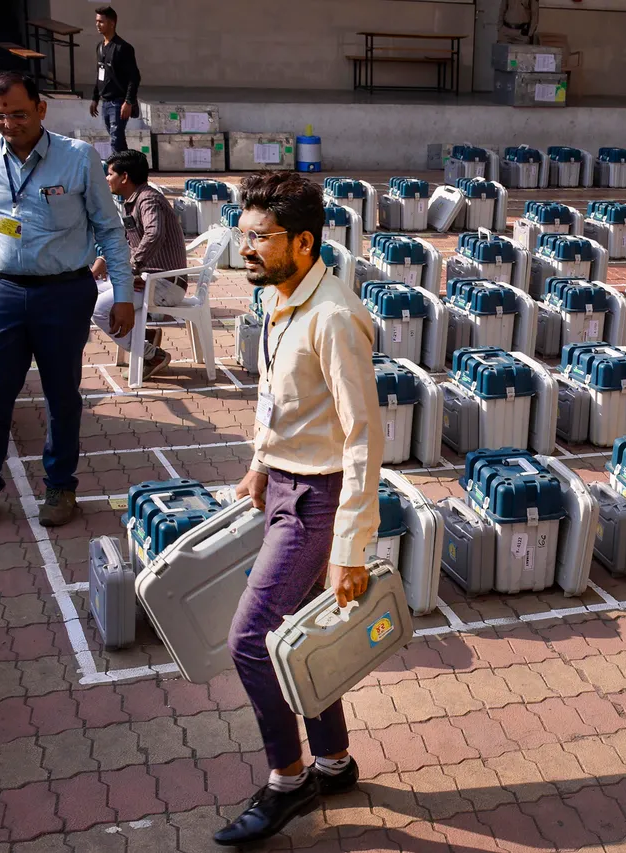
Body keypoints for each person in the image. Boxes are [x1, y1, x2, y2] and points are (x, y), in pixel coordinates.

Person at [216, 171, 382, 846]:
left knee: (251, 642)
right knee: (303, 638)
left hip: (318, 501)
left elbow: (364, 435)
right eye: (243, 234)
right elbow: (273, 392)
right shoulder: (281, 298)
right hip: (285, 482)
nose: (246, 248)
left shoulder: (334, 317)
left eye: (261, 237)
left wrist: (351, 546)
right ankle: (335, 760)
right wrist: (261, 459)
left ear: (305, 242)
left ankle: (289, 782)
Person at [0, 72, 134, 533]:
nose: (9, 124)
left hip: (64, 293)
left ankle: (60, 485)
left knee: (62, 394)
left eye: (19, 114)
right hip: (2, 291)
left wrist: (122, 295)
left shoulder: (78, 157)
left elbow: (109, 228)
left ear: (41, 110)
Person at [90, 149, 184, 378]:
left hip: (163, 284)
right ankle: (145, 337)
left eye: (109, 174)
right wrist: (103, 260)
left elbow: (154, 234)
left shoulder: (149, 199)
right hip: (146, 279)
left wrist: (131, 270)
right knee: (88, 293)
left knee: (101, 310)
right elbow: (126, 239)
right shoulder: (131, 201)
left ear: (124, 177)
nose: (106, 179)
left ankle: (152, 354)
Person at [88, 5, 140, 154]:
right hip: (105, 102)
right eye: (96, 21)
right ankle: (126, 168)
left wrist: (128, 101)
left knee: (116, 140)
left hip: (119, 102)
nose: (97, 25)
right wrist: (95, 98)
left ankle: (120, 171)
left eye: (101, 22)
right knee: (116, 139)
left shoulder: (123, 48)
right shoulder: (99, 47)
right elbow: (100, 74)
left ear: (112, 23)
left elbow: (134, 77)